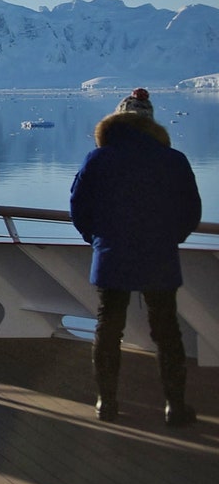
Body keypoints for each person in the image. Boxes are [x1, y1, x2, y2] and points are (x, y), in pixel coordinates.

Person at [69, 88, 202, 426]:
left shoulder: (98, 158)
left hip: (111, 255)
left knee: (109, 327)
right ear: (150, 122)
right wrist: (170, 239)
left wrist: (97, 239)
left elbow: (79, 207)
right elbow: (191, 210)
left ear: (117, 120)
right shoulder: (174, 160)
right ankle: (175, 406)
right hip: (160, 256)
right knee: (167, 332)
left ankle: (107, 403)